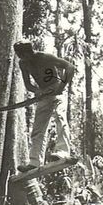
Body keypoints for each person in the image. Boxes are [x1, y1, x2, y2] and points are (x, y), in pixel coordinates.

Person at [13, 41, 75, 172]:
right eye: (19, 55)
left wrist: (61, 87)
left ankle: (63, 152)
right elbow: (28, 85)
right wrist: (38, 91)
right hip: (43, 94)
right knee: (38, 129)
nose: (22, 58)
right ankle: (34, 161)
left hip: (57, 89)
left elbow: (69, 67)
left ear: (30, 52)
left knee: (60, 118)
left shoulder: (45, 57)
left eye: (23, 55)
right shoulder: (23, 63)